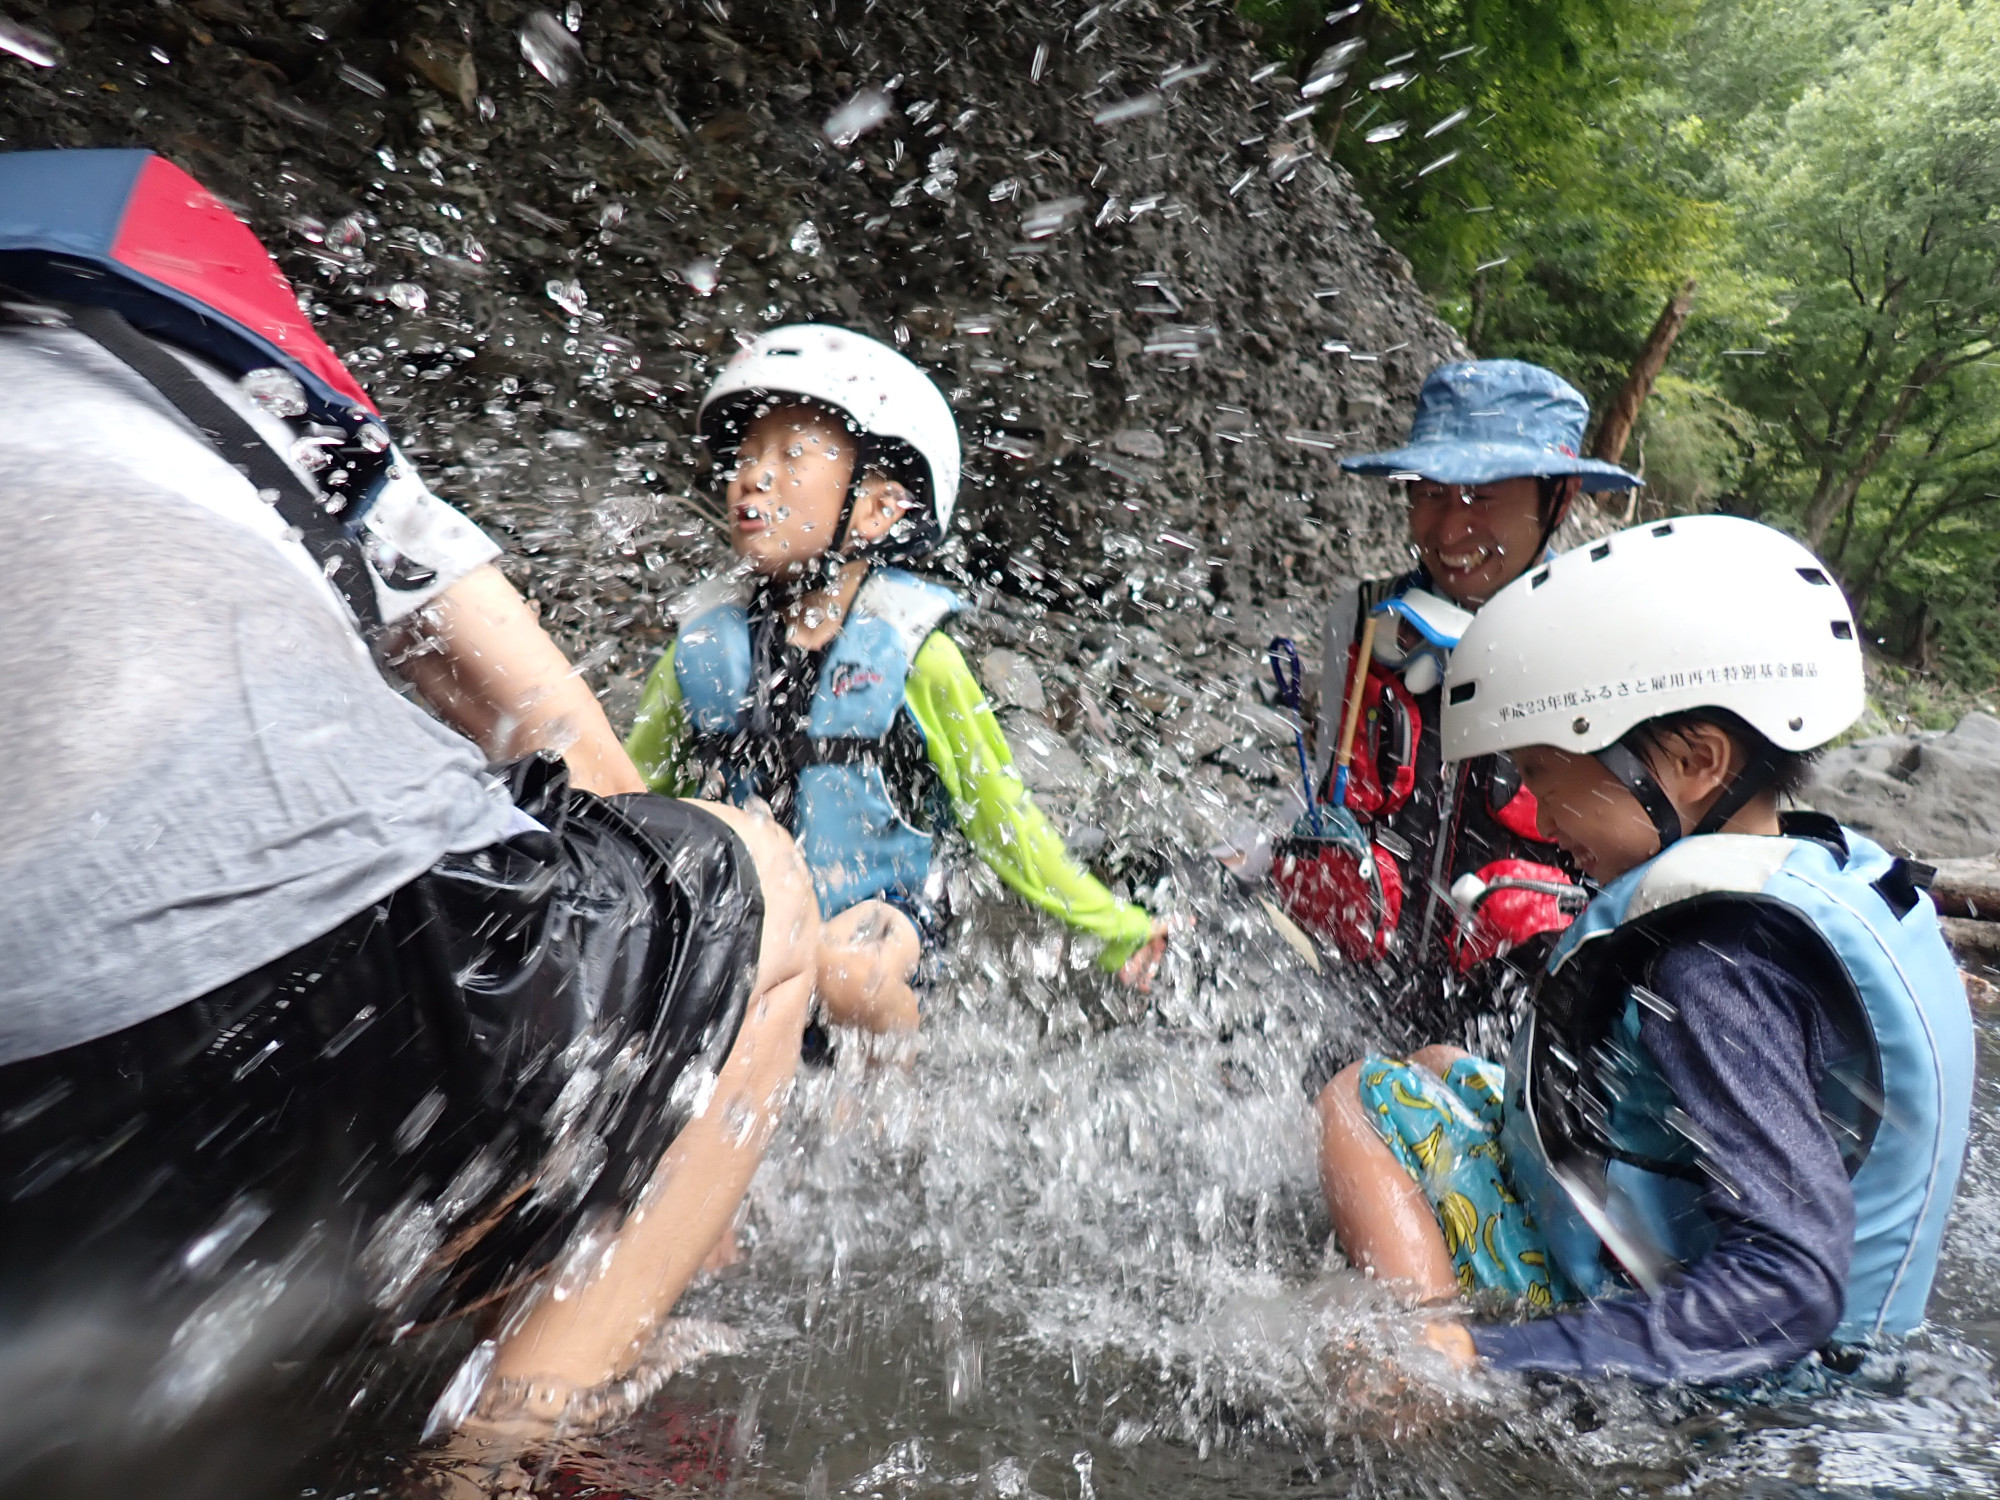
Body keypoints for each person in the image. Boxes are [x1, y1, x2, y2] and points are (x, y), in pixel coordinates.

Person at [0, 147, 818, 1481]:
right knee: (759, 887)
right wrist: (673, 1104)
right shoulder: (172, 301)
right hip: (337, 979)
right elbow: (548, 726)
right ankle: (502, 1453)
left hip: (36, 1129)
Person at [1317, 515, 1973, 1383]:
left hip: (1751, 1381)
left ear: (1697, 762)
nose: (1538, 813)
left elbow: (1788, 1285)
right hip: (1782, 1323)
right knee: (1441, 1064)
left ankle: (1423, 1374)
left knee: (1359, 1100)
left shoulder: (1717, 974)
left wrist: (1504, 1354)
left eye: (1544, 772)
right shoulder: (1813, 872)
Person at [626, 324, 1168, 1034]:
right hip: (743, 919)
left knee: (845, 970)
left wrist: (1116, 925)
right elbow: (627, 794)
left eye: (791, 455)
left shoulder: (918, 657)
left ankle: (891, 1087)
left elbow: (1003, 818)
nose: (752, 477)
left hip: (882, 922)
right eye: (746, 456)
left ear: (879, 509)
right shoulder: (699, 651)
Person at [1271, 360, 1644, 1057]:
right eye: (1430, 492)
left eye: (1483, 495)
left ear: (1560, 498)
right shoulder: (1361, 622)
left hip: (1507, 1048)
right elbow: (1324, 798)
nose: (1448, 528)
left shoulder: (1609, 658)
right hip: (1348, 1007)